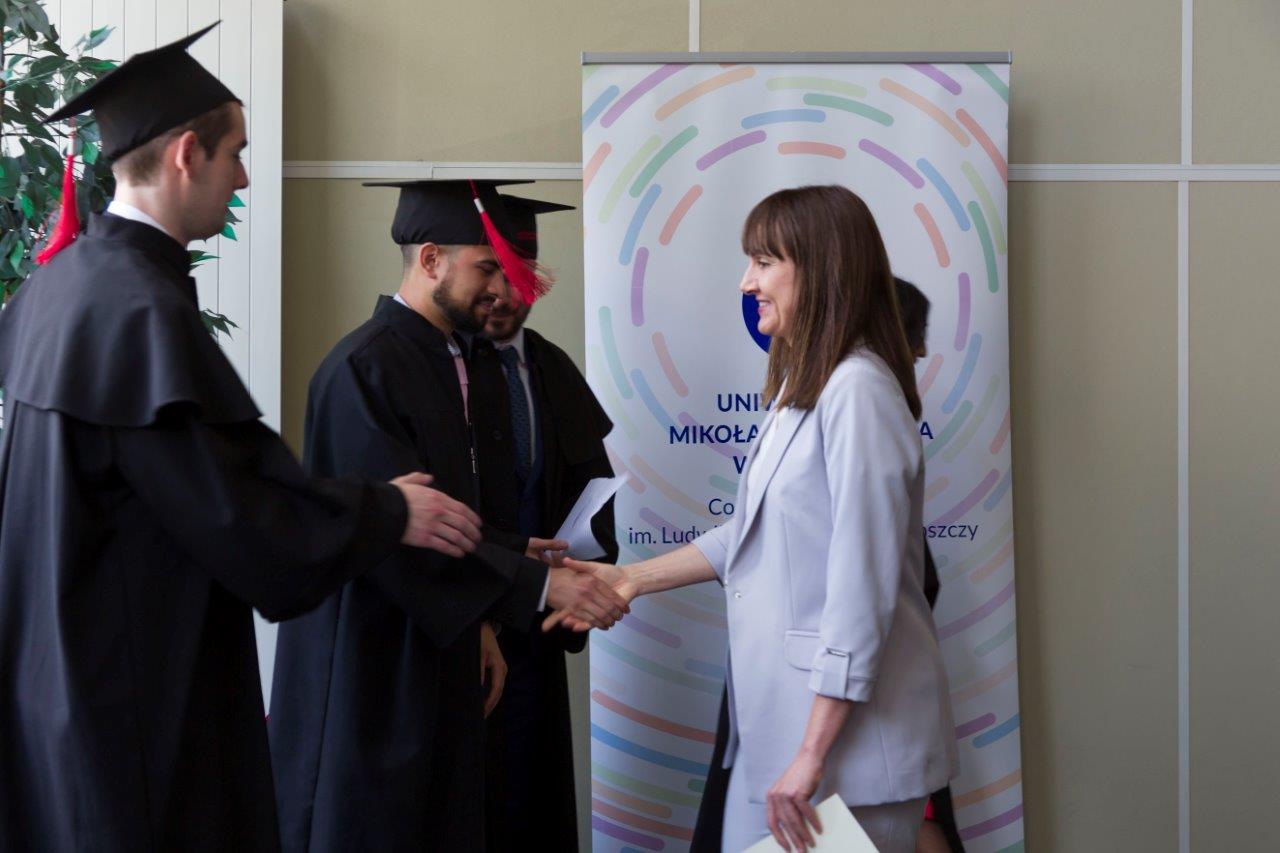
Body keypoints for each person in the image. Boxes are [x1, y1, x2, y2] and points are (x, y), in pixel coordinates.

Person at [0, 24, 480, 852]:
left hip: (51, 687)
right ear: (188, 154)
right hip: (131, 706)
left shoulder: (56, 289)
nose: (245, 177)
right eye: (236, 154)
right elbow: (237, 511)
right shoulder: (140, 311)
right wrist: (386, 512)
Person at [551, 185, 958, 852]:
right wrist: (631, 579)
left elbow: (864, 589)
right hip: (782, 739)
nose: (747, 282)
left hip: (843, 756)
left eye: (764, 262)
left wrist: (812, 753)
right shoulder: (805, 385)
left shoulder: (859, 390)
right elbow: (750, 531)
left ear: (821, 270)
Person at [268, 180, 629, 852]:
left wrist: (511, 564)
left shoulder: (455, 361)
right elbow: (403, 531)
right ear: (431, 259)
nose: (501, 288)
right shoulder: (363, 369)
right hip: (377, 655)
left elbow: (458, 513)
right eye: (487, 267)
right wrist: (532, 583)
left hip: (452, 642)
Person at [480, 195, 618, 851]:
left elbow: (594, 486)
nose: (506, 296)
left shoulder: (552, 366)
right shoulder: (439, 373)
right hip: (466, 629)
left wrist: (589, 567)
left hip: (539, 630)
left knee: (532, 807)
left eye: (522, 277)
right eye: (494, 273)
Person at [894, 277, 967, 853]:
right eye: (914, 333)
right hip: (874, 678)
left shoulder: (873, 409)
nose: (921, 350)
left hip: (882, 678)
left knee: (915, 814)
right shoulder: (854, 405)